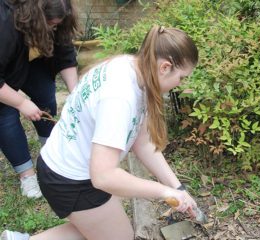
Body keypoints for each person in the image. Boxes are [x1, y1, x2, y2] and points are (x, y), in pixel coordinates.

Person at [1, 25, 199, 240]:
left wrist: (177, 187)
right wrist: (163, 192)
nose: (181, 84)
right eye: (182, 78)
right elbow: (104, 177)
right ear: (164, 67)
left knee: (102, 231)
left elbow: (142, 142)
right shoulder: (120, 97)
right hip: (69, 179)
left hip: (67, 166)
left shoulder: (130, 66)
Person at [0, 0, 79, 199]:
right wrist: (20, 103)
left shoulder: (58, 13)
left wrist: (75, 94)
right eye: (52, 25)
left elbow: (65, 54)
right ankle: (26, 175)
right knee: (5, 116)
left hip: (33, 61)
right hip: (5, 65)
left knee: (45, 97)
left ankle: (49, 157)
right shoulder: (5, 25)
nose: (55, 28)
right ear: (36, 19)